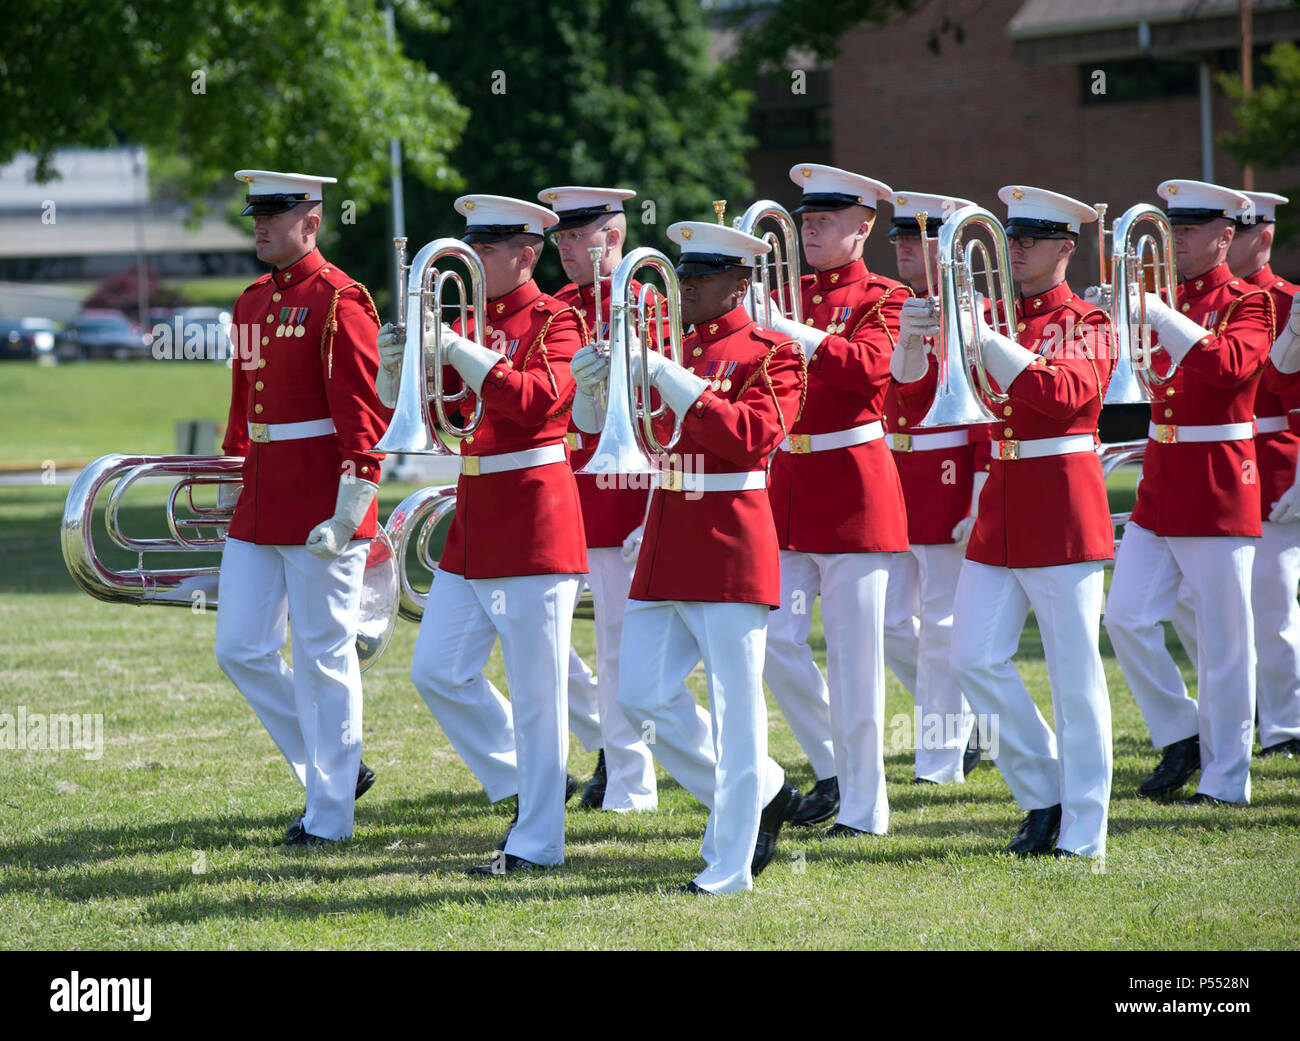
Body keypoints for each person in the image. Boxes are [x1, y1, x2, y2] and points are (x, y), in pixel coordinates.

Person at [571, 218, 804, 894]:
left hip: (730, 535)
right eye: (683, 276)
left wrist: (664, 371)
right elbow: (597, 431)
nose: (688, 289)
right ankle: (762, 789)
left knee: (737, 709)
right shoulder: (671, 345)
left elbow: (750, 439)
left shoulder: (772, 351)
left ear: (739, 282)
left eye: (701, 278)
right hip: (667, 532)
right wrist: (593, 384)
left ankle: (728, 867)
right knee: (639, 694)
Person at [898, 185, 1116, 857]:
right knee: (971, 658)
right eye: (1011, 239)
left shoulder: (1091, 320)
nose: (1017, 250)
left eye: (1030, 239)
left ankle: (1085, 827)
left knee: (1074, 674)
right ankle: (1044, 791)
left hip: (1062, 500)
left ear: (1065, 248)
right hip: (1001, 501)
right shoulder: (988, 311)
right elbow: (909, 394)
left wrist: (983, 337)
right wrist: (911, 343)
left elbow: (1065, 394)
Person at [379, 194, 587, 873]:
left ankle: (538, 841)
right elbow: (426, 405)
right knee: (436, 668)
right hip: (475, 513)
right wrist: (394, 367)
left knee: (538, 692)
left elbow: (536, 403)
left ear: (525, 254)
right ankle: (529, 783)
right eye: (469, 245)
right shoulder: (467, 318)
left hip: (533, 512)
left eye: (487, 249)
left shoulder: (560, 319)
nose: (471, 259)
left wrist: (460, 347)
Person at [215, 169, 390, 845]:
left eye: (274, 213)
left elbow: (363, 415)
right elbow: (243, 407)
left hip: (322, 501)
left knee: (323, 655)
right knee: (240, 647)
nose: (259, 223)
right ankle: (336, 768)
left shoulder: (340, 299)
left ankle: (329, 816)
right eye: (255, 212)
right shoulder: (253, 301)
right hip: (262, 495)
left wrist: (354, 502)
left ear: (311, 221)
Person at [1102, 179, 1276, 807]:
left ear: (1226, 237)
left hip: (1218, 478)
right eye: (1173, 229)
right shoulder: (1161, 297)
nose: (1176, 240)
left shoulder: (1250, 303)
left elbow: (1229, 367)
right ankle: (1182, 731)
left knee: (1226, 642)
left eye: (1191, 230)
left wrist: (1158, 314)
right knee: (1123, 616)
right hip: (1161, 477)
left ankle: (1228, 780)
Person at [752, 163, 909, 836]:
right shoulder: (786, 292)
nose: (810, 228)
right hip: (790, 486)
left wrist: (793, 333)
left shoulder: (886, 295)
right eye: (806, 219)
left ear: (864, 226)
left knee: (855, 660)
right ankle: (835, 766)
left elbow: (869, 368)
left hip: (854, 484)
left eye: (826, 219)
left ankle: (868, 808)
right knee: (774, 641)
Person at [537, 184, 660, 811]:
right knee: (548, 645)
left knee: (617, 643)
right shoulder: (557, 306)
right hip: (563, 494)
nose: (562, 249)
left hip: (624, 495)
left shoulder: (648, 303)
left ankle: (630, 780)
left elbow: (663, 411)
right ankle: (611, 744)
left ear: (612, 238)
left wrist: (653, 508)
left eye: (574, 237)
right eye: (558, 238)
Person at [882, 190, 984, 785]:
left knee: (942, 624)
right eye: (896, 238)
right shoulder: (893, 305)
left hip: (947, 476)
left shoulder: (973, 312)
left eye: (914, 238)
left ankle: (940, 759)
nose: (901, 249)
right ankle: (959, 720)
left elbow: (982, 412)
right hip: (896, 476)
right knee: (896, 625)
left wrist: (977, 492)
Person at [1228, 190, 1300, 759]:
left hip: (1274, 467)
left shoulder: (1287, 301)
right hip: (1216, 470)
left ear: (1265, 237)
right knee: (1203, 604)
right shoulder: (1205, 302)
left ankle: (1284, 726)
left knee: (1274, 607)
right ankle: (1238, 709)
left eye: (1241, 231)